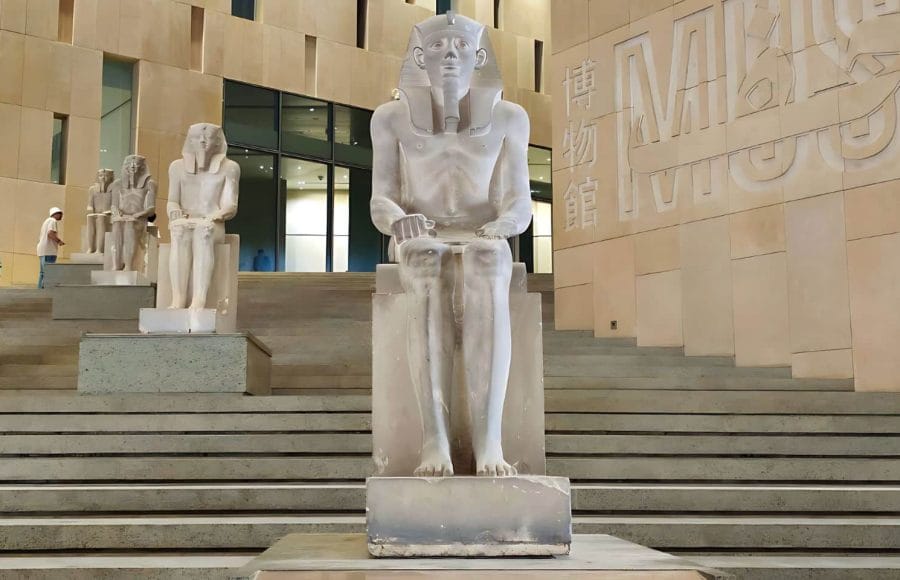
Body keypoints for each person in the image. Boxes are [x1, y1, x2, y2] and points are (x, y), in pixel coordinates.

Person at [370, 12, 532, 477]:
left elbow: (520, 201)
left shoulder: (508, 118)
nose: (450, 58)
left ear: (479, 57)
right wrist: (400, 221)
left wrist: (504, 225)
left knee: (485, 261)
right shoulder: (391, 119)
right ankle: (434, 439)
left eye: (460, 48)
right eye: (439, 49)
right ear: (419, 57)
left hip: (483, 232)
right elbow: (382, 199)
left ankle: (490, 440)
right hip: (421, 232)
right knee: (426, 261)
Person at [36, 207, 65, 288]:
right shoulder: (53, 220)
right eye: (60, 214)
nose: (61, 216)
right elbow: (50, 233)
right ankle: (46, 291)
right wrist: (59, 241)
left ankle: (40, 291)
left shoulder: (46, 221)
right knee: (48, 272)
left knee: (43, 272)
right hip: (49, 250)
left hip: (42, 250)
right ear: (56, 214)